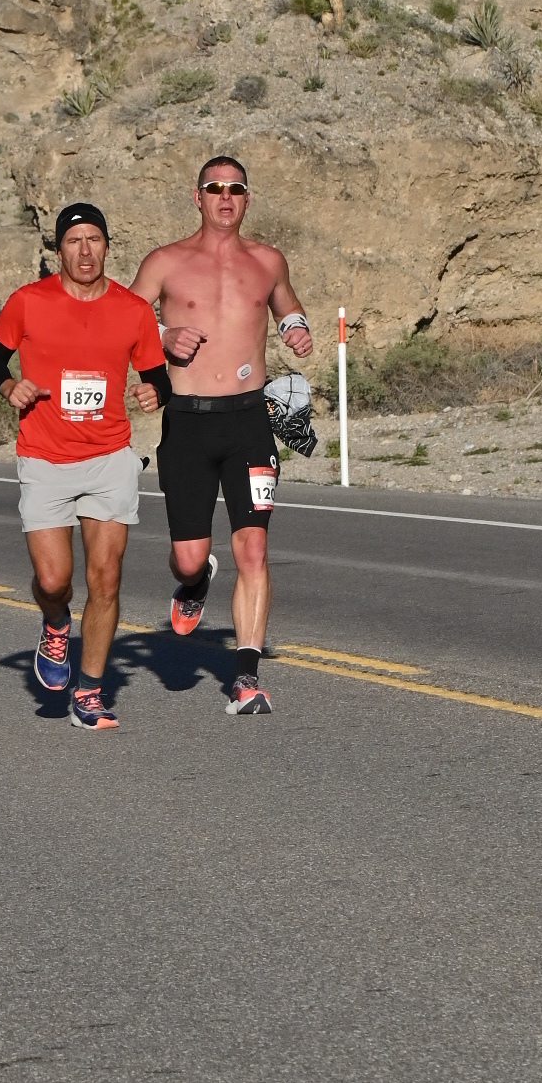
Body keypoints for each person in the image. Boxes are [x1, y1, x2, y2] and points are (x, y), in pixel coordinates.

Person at [131, 155, 314, 717]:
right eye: (215, 188)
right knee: (189, 558)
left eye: (235, 188)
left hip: (249, 420)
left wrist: (297, 328)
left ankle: (246, 678)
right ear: (198, 197)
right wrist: (163, 336)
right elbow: (123, 321)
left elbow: (287, 306)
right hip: (187, 420)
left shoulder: (268, 260)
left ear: (247, 198)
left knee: (253, 547)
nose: (225, 197)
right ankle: (193, 585)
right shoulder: (165, 261)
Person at [0, 204, 170, 732]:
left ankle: (89, 692)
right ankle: (56, 622)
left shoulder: (133, 309)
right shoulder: (28, 301)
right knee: (53, 579)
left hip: (109, 457)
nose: (85, 251)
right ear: (59, 249)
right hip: (44, 457)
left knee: (105, 579)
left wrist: (154, 391)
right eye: (73, 241)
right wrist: (9, 386)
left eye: (94, 239)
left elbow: (157, 373)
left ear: (107, 245)